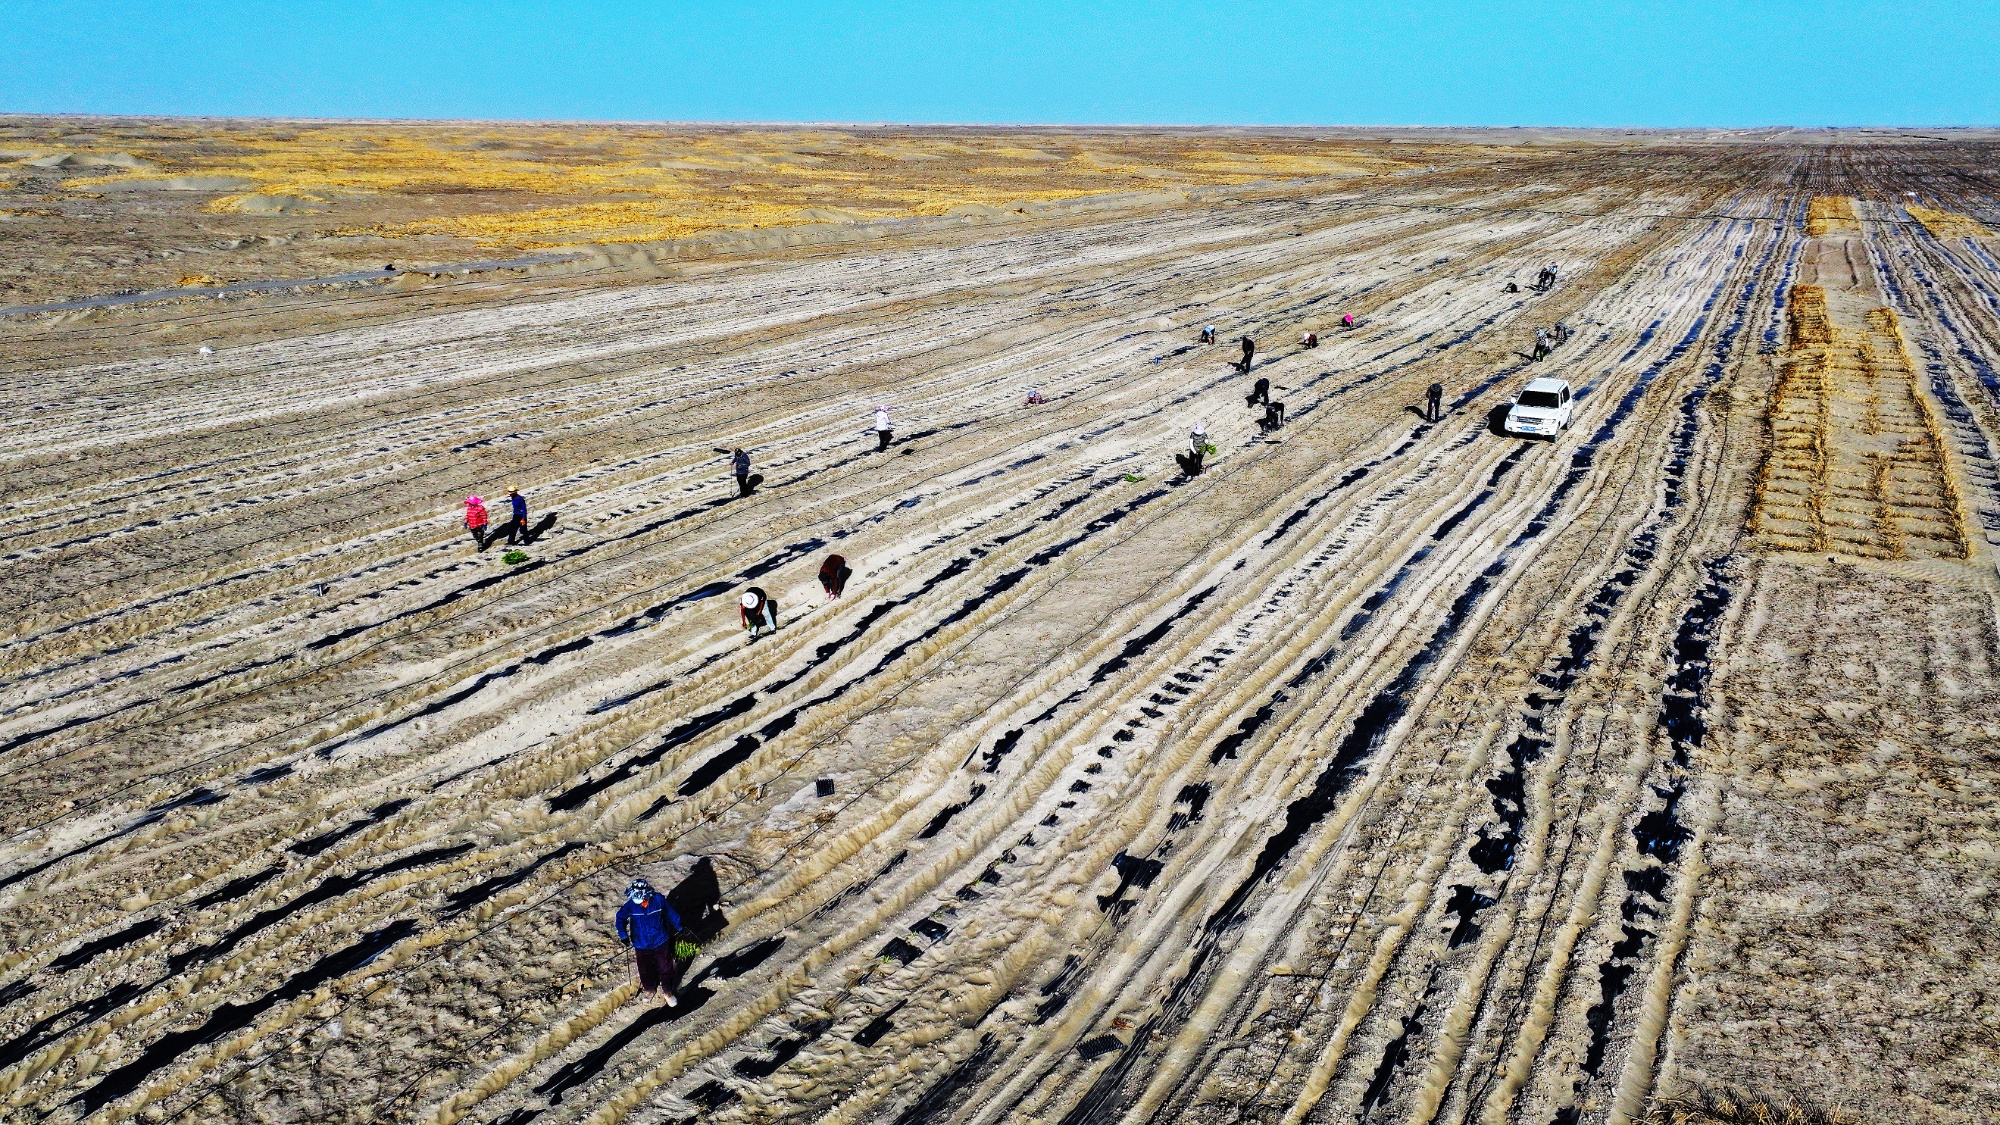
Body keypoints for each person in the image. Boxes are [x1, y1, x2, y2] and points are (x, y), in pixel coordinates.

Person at [616, 878, 685, 1007]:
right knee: (644, 968)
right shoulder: (630, 905)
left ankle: (668, 991)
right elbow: (620, 917)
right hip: (641, 943)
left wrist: (679, 927)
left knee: (665, 967)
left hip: (660, 939)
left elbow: (670, 913)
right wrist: (623, 935)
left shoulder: (658, 900)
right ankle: (649, 989)